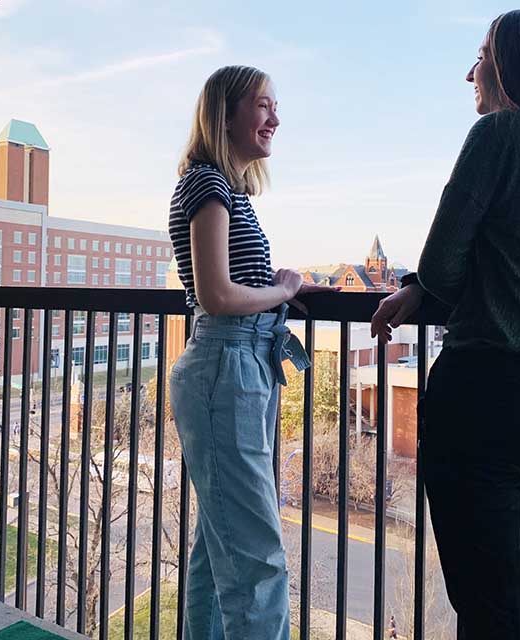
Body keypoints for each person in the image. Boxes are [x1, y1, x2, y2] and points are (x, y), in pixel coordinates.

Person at [371, 7, 520, 639]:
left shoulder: (500, 135)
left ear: (512, 65)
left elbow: (441, 268)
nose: (470, 72)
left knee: (490, 610)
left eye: (482, 55)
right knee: (507, 599)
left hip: (489, 401)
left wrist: (423, 288)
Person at [168, 65, 333, 639]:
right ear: (226, 114)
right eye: (262, 105)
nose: (274, 118)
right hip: (225, 368)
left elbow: (230, 286)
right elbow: (215, 295)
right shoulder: (207, 185)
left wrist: (284, 288)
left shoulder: (226, 189)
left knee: (220, 548)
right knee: (257, 556)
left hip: (239, 367)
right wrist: (284, 290)